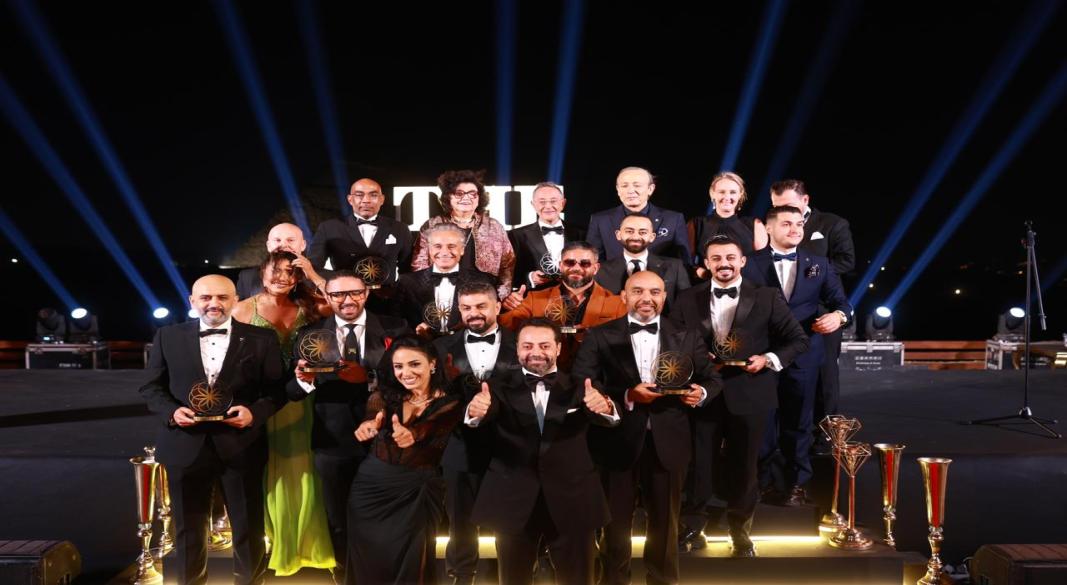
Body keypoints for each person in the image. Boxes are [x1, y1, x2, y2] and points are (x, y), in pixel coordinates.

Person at [572, 271, 722, 585]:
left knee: (666, 526)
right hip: (616, 442)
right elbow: (583, 382)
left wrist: (701, 393)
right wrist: (627, 395)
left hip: (670, 443)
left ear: (664, 297)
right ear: (624, 297)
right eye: (638, 291)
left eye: (655, 292)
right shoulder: (600, 335)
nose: (647, 298)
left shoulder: (687, 335)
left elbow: (712, 379)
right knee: (614, 525)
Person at [139, 275, 285, 585]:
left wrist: (254, 413)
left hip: (241, 445)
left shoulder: (262, 338)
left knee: (249, 528)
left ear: (235, 300)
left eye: (222, 297)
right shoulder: (167, 336)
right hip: (184, 445)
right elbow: (151, 387)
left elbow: (277, 391)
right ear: (192, 301)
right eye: (206, 298)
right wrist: (172, 412)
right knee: (187, 531)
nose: (214, 304)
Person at [671, 235, 809, 557]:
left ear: (743, 261)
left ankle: (740, 530)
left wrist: (768, 360)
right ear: (707, 263)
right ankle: (693, 526)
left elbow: (797, 340)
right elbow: (673, 342)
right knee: (698, 464)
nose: (724, 264)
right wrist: (691, 368)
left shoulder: (766, 296)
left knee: (746, 465)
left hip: (751, 392)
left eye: (730, 257)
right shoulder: (687, 298)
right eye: (716, 258)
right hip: (703, 394)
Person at [465, 319, 619, 585]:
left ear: (558, 348)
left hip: (573, 499)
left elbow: (607, 417)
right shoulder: (496, 387)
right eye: (528, 346)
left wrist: (605, 407)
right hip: (513, 500)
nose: (536, 352)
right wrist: (474, 411)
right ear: (517, 349)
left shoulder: (581, 386)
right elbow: (483, 412)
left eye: (544, 345)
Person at [289, 271, 410, 584]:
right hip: (333, 442)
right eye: (338, 294)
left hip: (386, 438)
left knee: (387, 516)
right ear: (327, 298)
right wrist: (304, 382)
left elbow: (411, 381)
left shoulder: (396, 328)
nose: (347, 300)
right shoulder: (309, 334)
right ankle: (347, 576)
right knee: (339, 518)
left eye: (354, 292)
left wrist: (368, 378)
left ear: (366, 293)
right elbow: (291, 390)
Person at [232, 252, 333, 576]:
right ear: (262, 272)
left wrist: (313, 274)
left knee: (305, 469)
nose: (283, 278)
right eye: (276, 271)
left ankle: (309, 545)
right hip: (263, 403)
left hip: (303, 401)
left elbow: (344, 302)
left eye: (291, 273)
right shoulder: (242, 309)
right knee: (269, 471)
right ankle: (278, 544)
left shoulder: (309, 306)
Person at [743, 206, 852, 507]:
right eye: (787, 224)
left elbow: (842, 303)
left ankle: (796, 484)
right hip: (761, 356)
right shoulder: (748, 263)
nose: (795, 229)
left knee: (800, 423)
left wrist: (838, 317)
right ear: (768, 228)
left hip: (805, 355)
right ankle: (761, 483)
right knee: (762, 424)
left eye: (799, 224)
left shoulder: (819, 264)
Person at [347, 337, 464, 585]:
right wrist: (368, 424)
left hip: (417, 489)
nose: (406, 373)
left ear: (433, 364)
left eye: (414, 364)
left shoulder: (451, 402)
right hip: (371, 488)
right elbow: (373, 413)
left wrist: (412, 434)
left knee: (412, 560)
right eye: (399, 366)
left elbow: (433, 426)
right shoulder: (385, 395)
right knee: (368, 560)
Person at [434, 281, 520, 585]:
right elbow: (434, 397)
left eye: (481, 306)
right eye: (467, 307)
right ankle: (461, 574)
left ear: (498, 306)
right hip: (459, 445)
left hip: (510, 445)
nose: (474, 313)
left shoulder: (522, 342)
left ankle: (515, 573)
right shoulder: (441, 347)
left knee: (511, 519)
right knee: (460, 519)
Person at [769, 179, 855, 451]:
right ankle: (779, 436)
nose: (783, 212)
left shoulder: (832, 223)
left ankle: (826, 435)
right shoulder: (771, 224)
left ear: (805, 201)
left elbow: (846, 261)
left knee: (824, 375)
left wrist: (809, 271)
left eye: (788, 205)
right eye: (777, 207)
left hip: (821, 311)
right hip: (782, 313)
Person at [500, 241, 627, 371]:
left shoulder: (617, 303)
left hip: (597, 374)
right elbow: (503, 326)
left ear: (595, 268)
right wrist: (506, 305)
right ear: (560, 265)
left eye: (585, 264)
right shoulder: (534, 298)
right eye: (570, 263)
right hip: (548, 374)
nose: (576, 268)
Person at [412, 169, 516, 300]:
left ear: (479, 198)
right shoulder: (432, 225)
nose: (466, 198)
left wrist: (498, 298)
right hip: (443, 295)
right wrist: (431, 297)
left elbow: (507, 265)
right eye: (459, 193)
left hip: (485, 297)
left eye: (472, 193)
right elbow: (419, 265)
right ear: (448, 197)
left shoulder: (494, 226)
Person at [307, 177, 414, 299]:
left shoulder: (400, 229)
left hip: (389, 301)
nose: (366, 200)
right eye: (359, 195)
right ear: (350, 199)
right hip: (346, 299)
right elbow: (313, 268)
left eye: (373, 195)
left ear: (382, 199)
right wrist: (338, 280)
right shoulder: (329, 228)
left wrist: (399, 296)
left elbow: (408, 271)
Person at [394, 224, 497, 337]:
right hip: (421, 345)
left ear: (462, 250)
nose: (444, 252)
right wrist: (416, 333)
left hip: (465, 344)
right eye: (438, 246)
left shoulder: (482, 280)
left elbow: (489, 320)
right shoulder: (407, 282)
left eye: (451, 246)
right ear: (429, 249)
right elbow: (397, 321)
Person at [586, 166, 691, 265]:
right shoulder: (601, 220)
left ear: (650, 189)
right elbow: (593, 261)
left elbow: (684, 262)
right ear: (618, 189)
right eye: (624, 186)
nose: (630, 191)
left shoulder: (673, 219)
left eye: (637, 185)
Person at [506, 181, 585, 294]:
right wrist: (530, 277)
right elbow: (508, 274)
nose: (548, 206)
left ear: (563, 203)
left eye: (553, 201)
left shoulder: (581, 233)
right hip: (535, 298)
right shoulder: (516, 235)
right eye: (542, 202)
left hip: (574, 295)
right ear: (533, 204)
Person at [595, 214, 690, 307]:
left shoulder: (674, 267)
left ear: (652, 237)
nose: (635, 237)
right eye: (629, 231)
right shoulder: (600, 271)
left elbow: (686, 304)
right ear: (618, 235)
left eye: (643, 232)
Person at [687, 172, 768, 276]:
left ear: (740, 195)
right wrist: (701, 273)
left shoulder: (754, 225)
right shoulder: (697, 224)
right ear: (713, 194)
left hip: (746, 283)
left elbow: (763, 263)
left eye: (733, 192)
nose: (727, 197)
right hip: (707, 282)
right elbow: (686, 261)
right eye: (722, 192)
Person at [236, 222, 326, 300]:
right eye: (277, 240)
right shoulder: (248, 277)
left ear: (303, 245)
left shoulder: (323, 276)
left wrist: (313, 276)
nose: (283, 245)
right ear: (268, 246)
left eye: (290, 240)